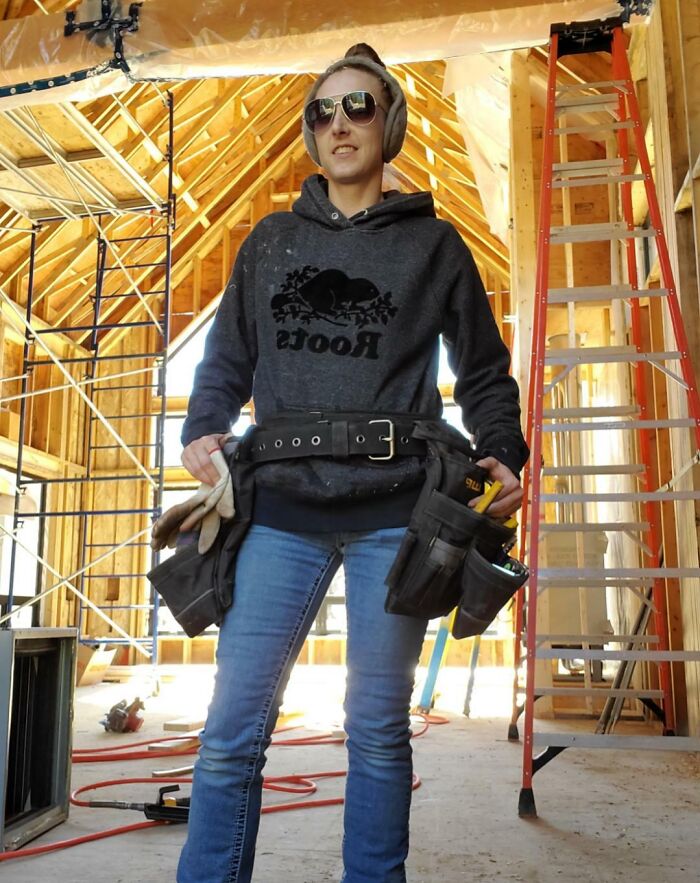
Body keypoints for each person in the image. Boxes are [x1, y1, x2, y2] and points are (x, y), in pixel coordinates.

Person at [176, 42, 528, 883]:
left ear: (390, 124)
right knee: (231, 730)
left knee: (375, 727)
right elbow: (225, 357)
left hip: (394, 513)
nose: (340, 124)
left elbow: (482, 369)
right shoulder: (267, 242)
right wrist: (201, 427)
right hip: (280, 510)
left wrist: (502, 452)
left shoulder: (436, 247)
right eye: (323, 111)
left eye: (359, 107)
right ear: (309, 132)